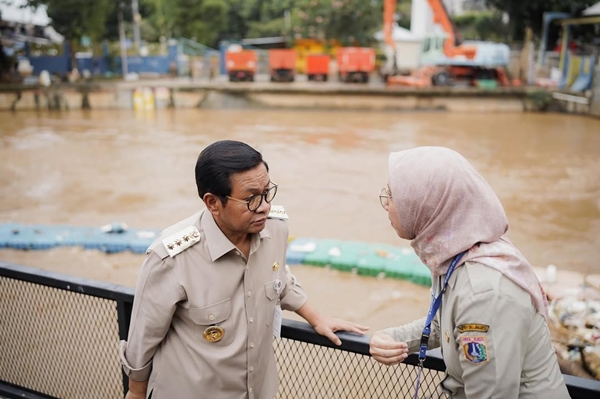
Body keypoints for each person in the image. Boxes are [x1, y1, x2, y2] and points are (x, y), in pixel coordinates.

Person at [119, 140, 368, 399]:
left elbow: (280, 280)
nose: (264, 206)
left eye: (267, 192)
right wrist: (136, 393)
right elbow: (143, 337)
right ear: (213, 202)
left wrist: (318, 319)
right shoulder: (171, 258)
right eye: (250, 199)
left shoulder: (275, 229)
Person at [369, 147, 570, 399]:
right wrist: (393, 339)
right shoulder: (455, 255)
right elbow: (446, 324)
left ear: (426, 205)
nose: (386, 203)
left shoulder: (483, 293)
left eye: (393, 194)